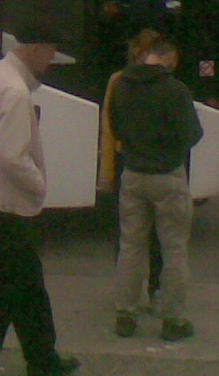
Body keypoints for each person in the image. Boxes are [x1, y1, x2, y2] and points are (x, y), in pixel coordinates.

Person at [0, 21, 80, 376]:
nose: (52, 58)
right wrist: (39, 185)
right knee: (12, 294)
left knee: (14, 292)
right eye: (50, 50)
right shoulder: (15, 91)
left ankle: (34, 361)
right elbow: (12, 155)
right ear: (36, 47)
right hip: (10, 207)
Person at [107, 35, 202, 343]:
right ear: (169, 58)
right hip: (167, 175)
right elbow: (192, 134)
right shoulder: (175, 90)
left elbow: (115, 127)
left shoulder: (121, 85)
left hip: (133, 173)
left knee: (130, 245)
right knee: (174, 248)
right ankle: (172, 320)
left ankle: (125, 314)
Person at [95, 30, 164, 310]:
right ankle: (135, 291)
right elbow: (109, 128)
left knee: (146, 233)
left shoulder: (162, 82)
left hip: (141, 162)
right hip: (138, 161)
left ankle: (147, 290)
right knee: (133, 233)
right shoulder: (120, 80)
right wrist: (107, 172)